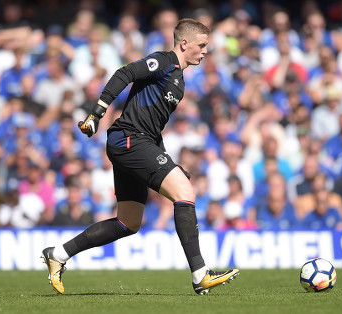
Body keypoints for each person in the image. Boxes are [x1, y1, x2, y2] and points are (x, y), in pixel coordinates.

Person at [42, 18, 239, 295]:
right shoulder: (164, 61)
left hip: (138, 141)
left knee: (128, 222)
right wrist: (97, 112)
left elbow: (153, 127)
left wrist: (168, 161)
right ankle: (200, 274)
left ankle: (58, 254)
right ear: (184, 43)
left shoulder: (179, 81)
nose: (205, 51)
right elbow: (125, 72)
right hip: (129, 139)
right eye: (202, 45)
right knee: (184, 192)